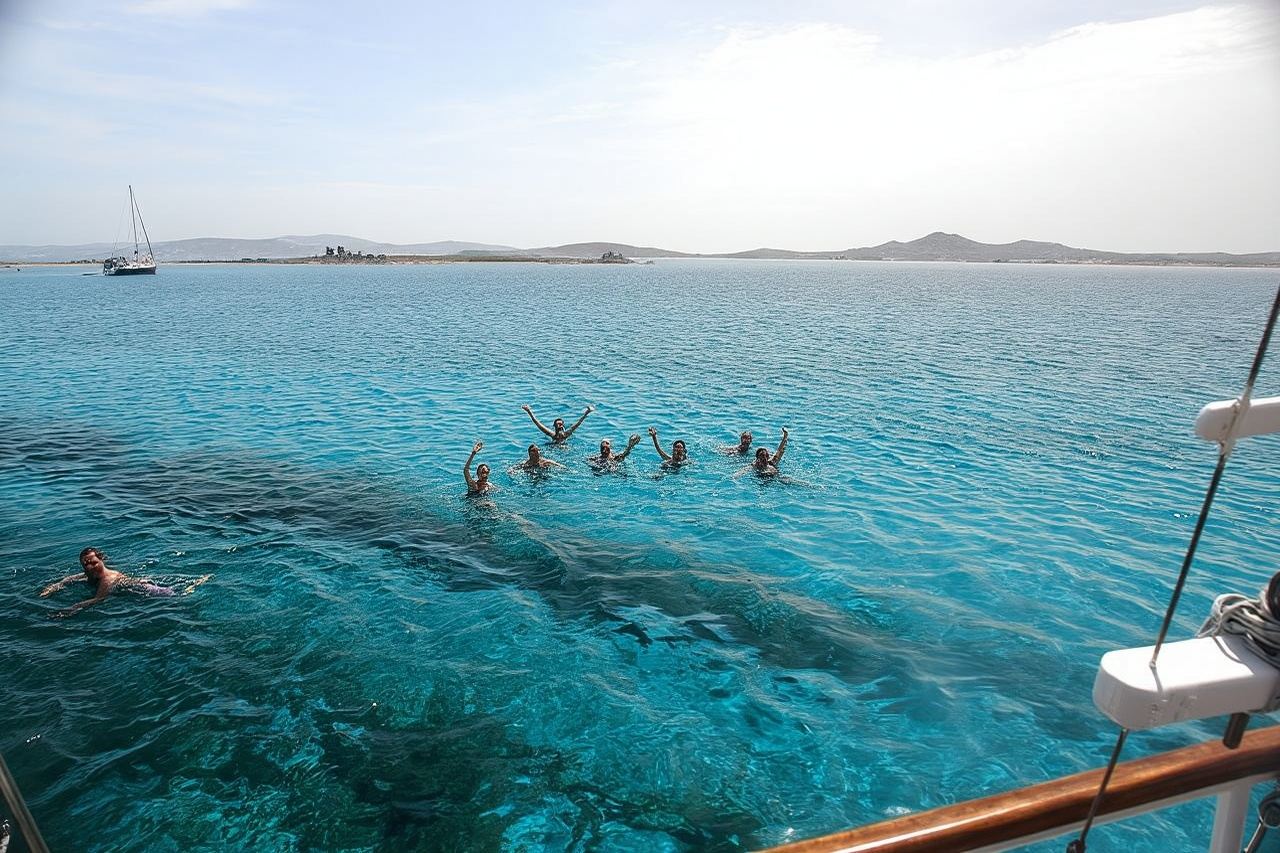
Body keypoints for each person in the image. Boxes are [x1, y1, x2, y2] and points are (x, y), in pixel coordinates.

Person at [39, 547, 177, 616]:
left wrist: (73, 608)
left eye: (94, 563)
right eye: (86, 564)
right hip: (134, 592)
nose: (90, 567)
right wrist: (53, 587)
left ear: (102, 560)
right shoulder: (89, 574)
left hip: (151, 591)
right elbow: (68, 579)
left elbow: (99, 599)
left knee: (173, 597)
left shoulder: (108, 578)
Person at [521, 404, 593, 443]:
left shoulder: (566, 434)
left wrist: (587, 412)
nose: (559, 425)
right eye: (558, 424)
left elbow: (578, 423)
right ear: (554, 426)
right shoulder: (552, 435)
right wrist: (529, 411)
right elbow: (538, 423)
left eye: (561, 424)